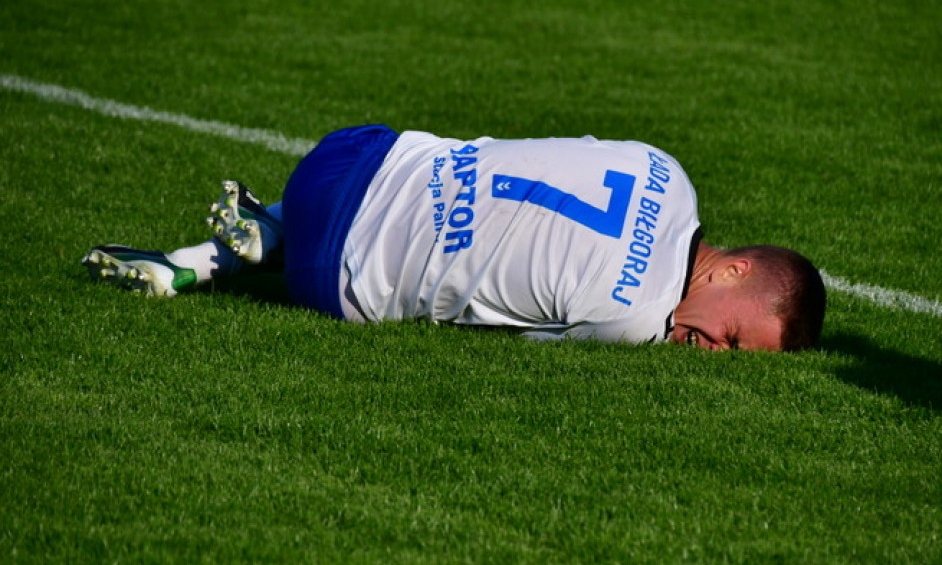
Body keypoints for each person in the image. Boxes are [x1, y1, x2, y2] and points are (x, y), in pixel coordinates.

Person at [82, 125, 826, 351]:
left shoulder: (667, 168)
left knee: (446, 178)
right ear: (733, 273)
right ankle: (269, 238)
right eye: (730, 339)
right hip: (337, 280)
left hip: (359, 154)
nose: (713, 355)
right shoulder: (635, 320)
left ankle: (246, 233)